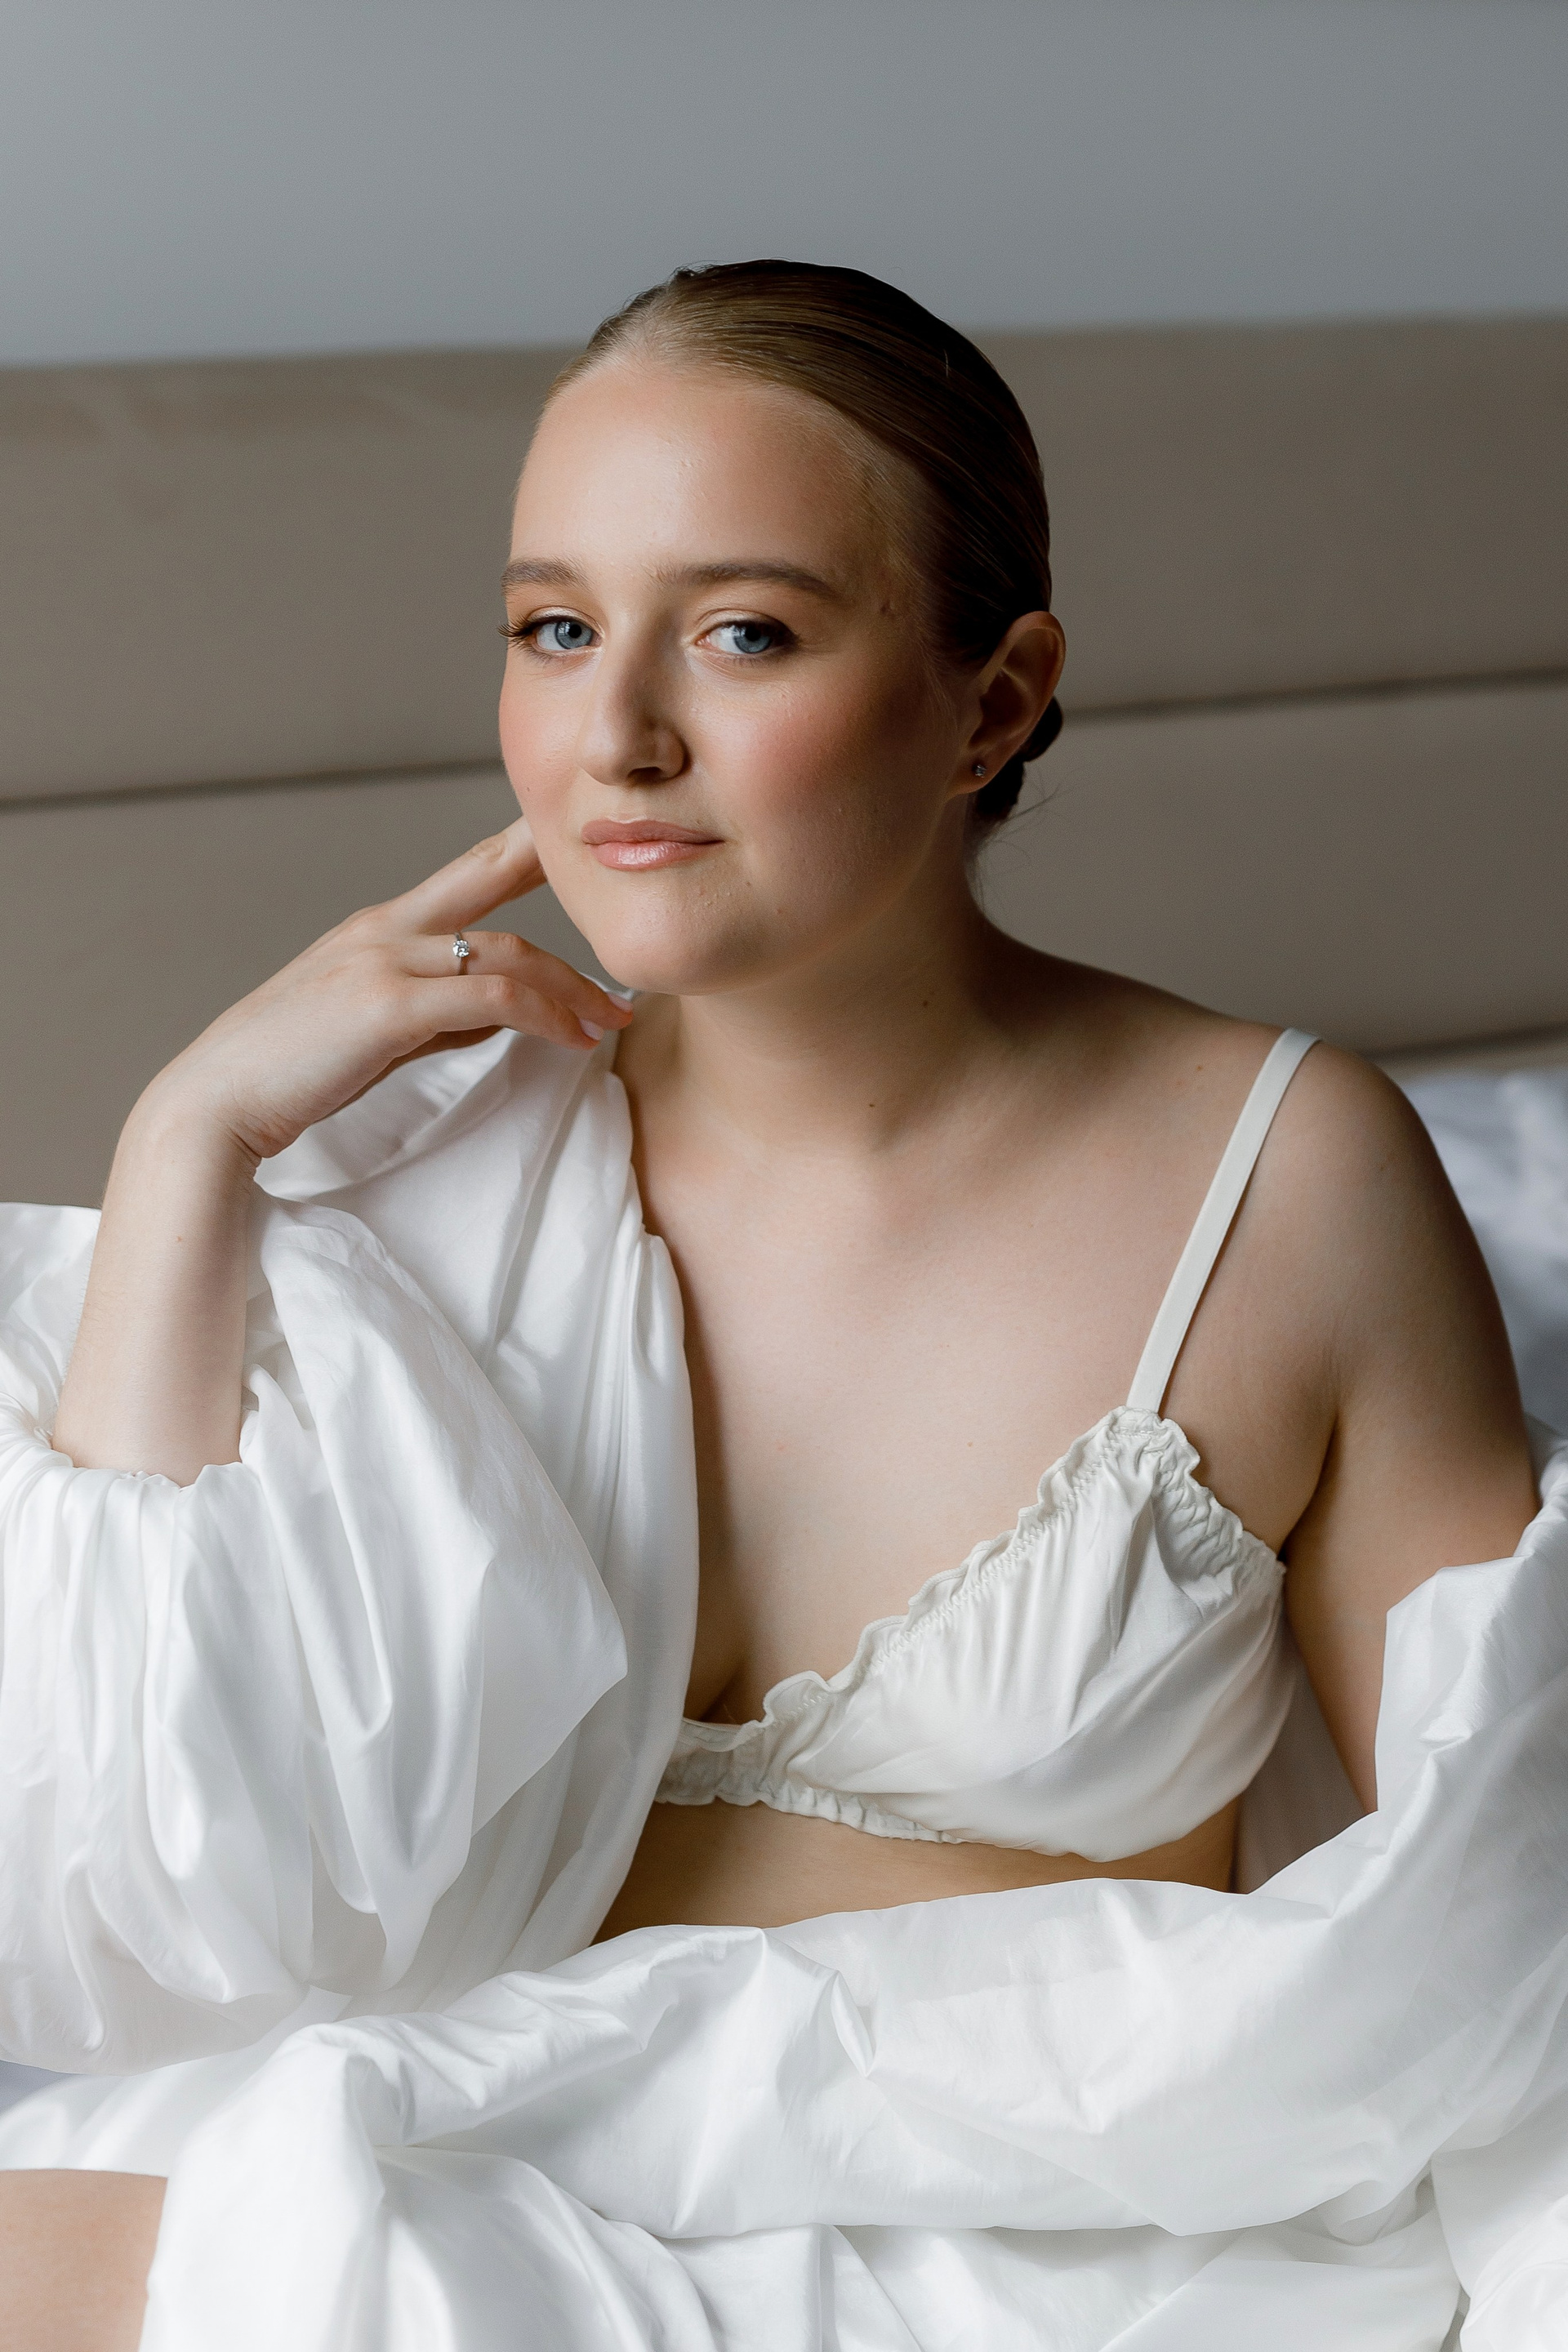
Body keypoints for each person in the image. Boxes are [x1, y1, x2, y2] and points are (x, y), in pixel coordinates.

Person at [0, 262, 1557, 2352]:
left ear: (993, 701)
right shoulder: (411, 1178)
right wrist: (189, 1141)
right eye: (556, 630)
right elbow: (124, 1875)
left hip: (1047, 2242)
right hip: (474, 2143)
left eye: (743, 633)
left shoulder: (1289, 1180)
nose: (617, 739)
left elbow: (1507, 1887)